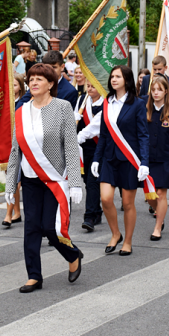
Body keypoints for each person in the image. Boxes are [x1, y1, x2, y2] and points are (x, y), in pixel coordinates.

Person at [4, 63, 84, 293]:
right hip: (30, 178)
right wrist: (10, 183)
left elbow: (70, 145)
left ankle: (73, 254)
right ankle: (34, 276)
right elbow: (14, 151)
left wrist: (75, 183)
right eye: (31, 79)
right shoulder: (20, 111)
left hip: (55, 179)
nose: (34, 82)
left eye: (40, 79)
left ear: (51, 84)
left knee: (51, 228)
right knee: (32, 228)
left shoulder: (62, 107)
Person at [91, 65, 149, 256]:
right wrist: (96, 159)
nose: (114, 79)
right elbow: (104, 134)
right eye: (112, 76)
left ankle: (128, 241)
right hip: (109, 158)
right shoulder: (107, 103)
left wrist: (144, 162)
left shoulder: (138, 104)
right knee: (106, 199)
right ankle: (116, 234)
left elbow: (143, 135)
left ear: (127, 79)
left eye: (118, 76)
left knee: (127, 203)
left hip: (129, 159)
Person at [145, 74, 169, 240]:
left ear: (166, 91)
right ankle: (160, 213)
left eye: (159, 90)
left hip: (166, 158)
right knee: (149, 195)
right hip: (148, 159)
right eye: (153, 90)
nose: (156, 93)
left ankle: (157, 227)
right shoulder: (145, 110)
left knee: (161, 193)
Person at [76, 82, 104, 231]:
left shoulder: (105, 103)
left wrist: (77, 138)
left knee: (93, 181)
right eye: (88, 85)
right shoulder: (82, 101)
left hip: (98, 147)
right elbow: (75, 119)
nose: (90, 88)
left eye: (94, 85)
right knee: (87, 180)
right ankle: (97, 211)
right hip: (84, 148)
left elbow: (94, 128)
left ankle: (89, 217)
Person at [3, 75, 26, 228]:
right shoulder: (4, 103)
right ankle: (17, 212)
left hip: (21, 144)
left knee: (15, 180)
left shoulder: (23, 103)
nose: (12, 88)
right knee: (12, 178)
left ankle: (8, 215)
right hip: (7, 144)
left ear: (21, 87)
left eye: (15, 85)